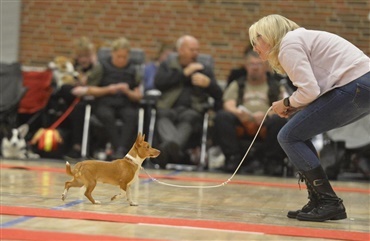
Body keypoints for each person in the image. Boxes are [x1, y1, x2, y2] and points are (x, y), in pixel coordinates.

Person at [249, 14, 370, 222]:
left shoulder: (288, 44)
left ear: (267, 35)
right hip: (362, 85)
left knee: (288, 136)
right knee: (298, 133)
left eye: (254, 41)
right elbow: (316, 90)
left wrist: (285, 103)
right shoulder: (299, 39)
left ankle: (328, 202)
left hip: (356, 85)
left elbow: (310, 90)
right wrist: (296, 106)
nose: (253, 48)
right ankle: (319, 200)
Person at [153, 35, 223, 168]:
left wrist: (209, 84)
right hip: (168, 108)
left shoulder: (204, 69)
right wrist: (184, 73)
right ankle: (176, 151)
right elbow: (159, 83)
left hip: (191, 110)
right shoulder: (167, 66)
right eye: (192, 50)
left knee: (190, 117)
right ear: (180, 50)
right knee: (162, 114)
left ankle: (167, 150)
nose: (196, 53)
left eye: (197, 50)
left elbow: (219, 95)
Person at [214, 49, 287, 174]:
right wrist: (239, 113)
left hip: (266, 123)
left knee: (279, 120)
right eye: (251, 64)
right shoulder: (238, 84)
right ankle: (233, 159)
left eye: (258, 64)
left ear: (265, 66)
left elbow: (284, 106)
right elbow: (228, 104)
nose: (255, 68)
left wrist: (266, 116)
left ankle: (272, 162)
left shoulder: (275, 85)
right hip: (243, 122)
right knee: (222, 116)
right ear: (246, 66)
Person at [94, 37, 143, 159]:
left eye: (124, 57)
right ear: (112, 53)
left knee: (132, 115)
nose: (121, 60)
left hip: (125, 102)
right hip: (106, 101)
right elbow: (90, 89)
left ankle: (120, 149)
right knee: (106, 115)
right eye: (118, 56)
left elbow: (138, 95)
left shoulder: (134, 70)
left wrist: (127, 91)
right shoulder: (102, 66)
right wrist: (108, 89)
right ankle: (119, 148)